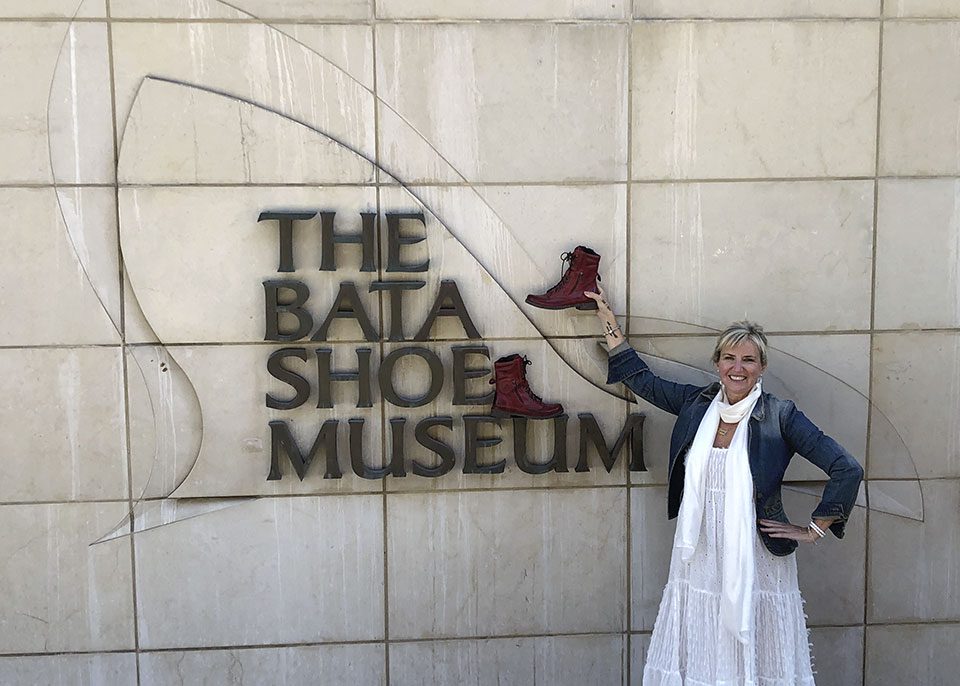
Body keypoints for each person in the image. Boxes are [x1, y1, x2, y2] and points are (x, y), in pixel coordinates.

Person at [584, 286, 863, 685]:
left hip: (756, 556)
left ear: (761, 367)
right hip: (701, 553)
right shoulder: (697, 403)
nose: (738, 367)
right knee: (703, 649)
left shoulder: (780, 416)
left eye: (748, 359)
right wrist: (608, 323)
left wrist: (814, 529)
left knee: (755, 649)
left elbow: (846, 468)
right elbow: (642, 381)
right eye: (730, 357)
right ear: (717, 363)